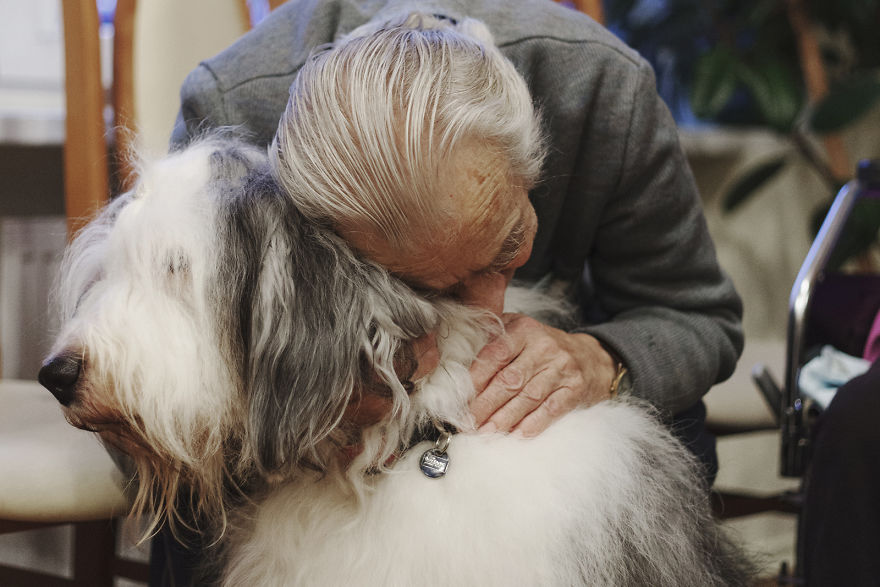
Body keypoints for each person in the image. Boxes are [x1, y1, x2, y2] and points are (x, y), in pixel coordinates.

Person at [152, 1, 743, 584]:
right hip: (309, 410)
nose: (490, 314)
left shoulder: (599, 85)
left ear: (535, 160)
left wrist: (600, 359)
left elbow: (695, 312)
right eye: (422, 285)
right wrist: (294, 392)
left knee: (673, 434)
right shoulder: (230, 114)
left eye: (507, 249)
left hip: (562, 368)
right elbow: (160, 396)